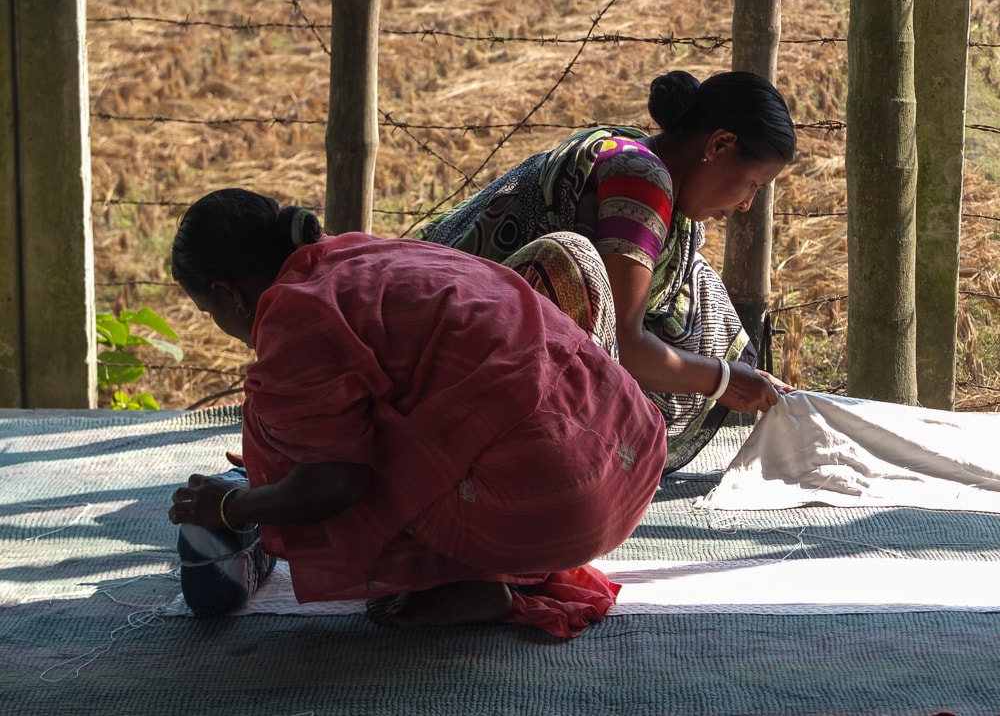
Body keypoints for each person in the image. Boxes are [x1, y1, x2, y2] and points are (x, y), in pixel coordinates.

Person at [167, 187, 668, 638]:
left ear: (228, 296)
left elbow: (339, 484)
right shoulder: (356, 253)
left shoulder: (294, 316)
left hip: (552, 506)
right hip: (632, 460)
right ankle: (500, 564)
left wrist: (233, 507)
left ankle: (473, 580)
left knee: (315, 447)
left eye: (211, 314)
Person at [414, 69, 797, 469]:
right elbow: (622, 346)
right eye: (753, 183)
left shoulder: (638, 160)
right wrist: (723, 379)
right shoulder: (639, 177)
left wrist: (736, 375)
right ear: (720, 144)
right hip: (442, 351)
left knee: (698, 283)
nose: (746, 205)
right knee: (574, 262)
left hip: (453, 331)